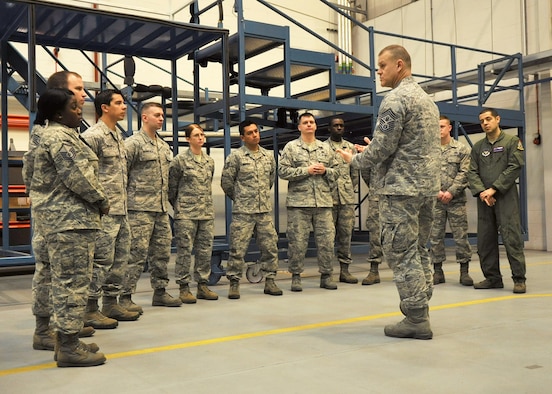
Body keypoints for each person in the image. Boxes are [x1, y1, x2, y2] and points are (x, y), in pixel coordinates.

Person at [337, 45, 440, 339]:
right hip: (425, 189)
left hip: (400, 190)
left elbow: (382, 147)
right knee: (419, 249)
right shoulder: (428, 102)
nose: (377, 72)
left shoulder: (395, 99)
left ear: (399, 65)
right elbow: (408, 144)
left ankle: (417, 319)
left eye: (382, 66)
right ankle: (420, 309)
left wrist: (355, 159)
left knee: (401, 252)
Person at [23, 88, 109, 367]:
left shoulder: (47, 136)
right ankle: (69, 348)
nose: (79, 110)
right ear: (58, 113)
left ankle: (63, 338)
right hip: (71, 222)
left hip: (56, 220)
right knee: (72, 283)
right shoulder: (61, 138)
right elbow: (79, 178)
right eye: (73, 107)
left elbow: (29, 176)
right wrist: (102, 201)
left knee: (59, 280)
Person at [81, 89, 140, 329]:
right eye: (118, 102)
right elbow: (84, 174)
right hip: (104, 212)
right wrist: (98, 204)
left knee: (120, 259)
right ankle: (90, 308)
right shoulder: (93, 136)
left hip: (121, 210)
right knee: (101, 261)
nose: (124, 106)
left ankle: (111, 302)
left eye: (124, 102)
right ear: (104, 107)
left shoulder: (118, 136)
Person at [123, 102, 182, 308]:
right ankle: (125, 296)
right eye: (157, 115)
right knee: (135, 254)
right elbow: (122, 175)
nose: (161, 118)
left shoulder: (164, 146)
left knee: (162, 253)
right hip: (138, 209)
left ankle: (160, 292)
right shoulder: (132, 144)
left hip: (161, 210)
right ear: (144, 117)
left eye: (163, 115)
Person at [221, 119, 283, 299]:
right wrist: (241, 198)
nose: (255, 135)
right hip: (243, 212)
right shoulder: (236, 157)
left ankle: (270, 280)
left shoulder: (268, 156)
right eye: (250, 133)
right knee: (237, 249)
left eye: (256, 131)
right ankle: (234, 283)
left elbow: (270, 180)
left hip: (263, 211)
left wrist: (259, 197)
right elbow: (227, 183)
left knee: (270, 247)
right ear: (242, 137)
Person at [467, 108, 527, 293]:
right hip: (485, 200)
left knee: (512, 238)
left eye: (488, 119)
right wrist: (483, 193)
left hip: (505, 197)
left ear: (497, 119)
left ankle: (519, 279)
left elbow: (515, 167)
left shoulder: (511, 142)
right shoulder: (478, 147)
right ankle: (492, 278)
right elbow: (472, 172)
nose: (485, 123)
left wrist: (494, 189)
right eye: (482, 121)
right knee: (485, 240)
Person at [278, 112, 338, 292]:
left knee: (327, 241)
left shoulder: (326, 148)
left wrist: (325, 171)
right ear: (300, 127)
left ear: (316, 126)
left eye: (312, 122)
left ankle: (326, 276)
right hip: (299, 204)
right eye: (305, 122)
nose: (309, 125)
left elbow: (337, 173)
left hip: (323, 204)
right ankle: (296, 276)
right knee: (297, 242)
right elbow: (282, 171)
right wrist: (306, 171)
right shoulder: (291, 147)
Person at [169, 123, 219, 302]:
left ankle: (202, 285)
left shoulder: (209, 161)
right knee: (184, 251)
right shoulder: (179, 161)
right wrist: (181, 206)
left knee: (205, 250)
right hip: (186, 214)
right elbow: (172, 188)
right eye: (196, 135)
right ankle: (183, 287)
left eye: (202, 135)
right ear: (188, 139)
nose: (201, 138)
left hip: (205, 212)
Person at [429, 115, 473, 286]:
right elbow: (425, 173)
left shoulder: (461, 149)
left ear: (449, 128)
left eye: (441, 126)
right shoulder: (429, 150)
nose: (439, 130)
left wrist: (451, 192)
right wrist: (437, 192)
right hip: (435, 200)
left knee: (461, 236)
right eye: (436, 126)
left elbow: (465, 172)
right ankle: (437, 271)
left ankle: (464, 272)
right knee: (435, 237)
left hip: (456, 200)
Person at [325, 117, 359, 284]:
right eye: (335, 126)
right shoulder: (322, 148)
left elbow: (355, 173)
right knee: (327, 237)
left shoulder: (350, 148)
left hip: (346, 199)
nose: (339, 128)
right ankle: (328, 272)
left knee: (346, 235)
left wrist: (348, 189)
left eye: (341, 125)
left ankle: (345, 271)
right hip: (328, 199)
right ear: (329, 128)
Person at [360, 167, 383, 285]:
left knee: (403, 234)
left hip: (399, 197)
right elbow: (365, 170)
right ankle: (374, 270)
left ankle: (406, 271)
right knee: (375, 235)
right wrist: (375, 186)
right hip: (377, 197)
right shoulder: (375, 149)